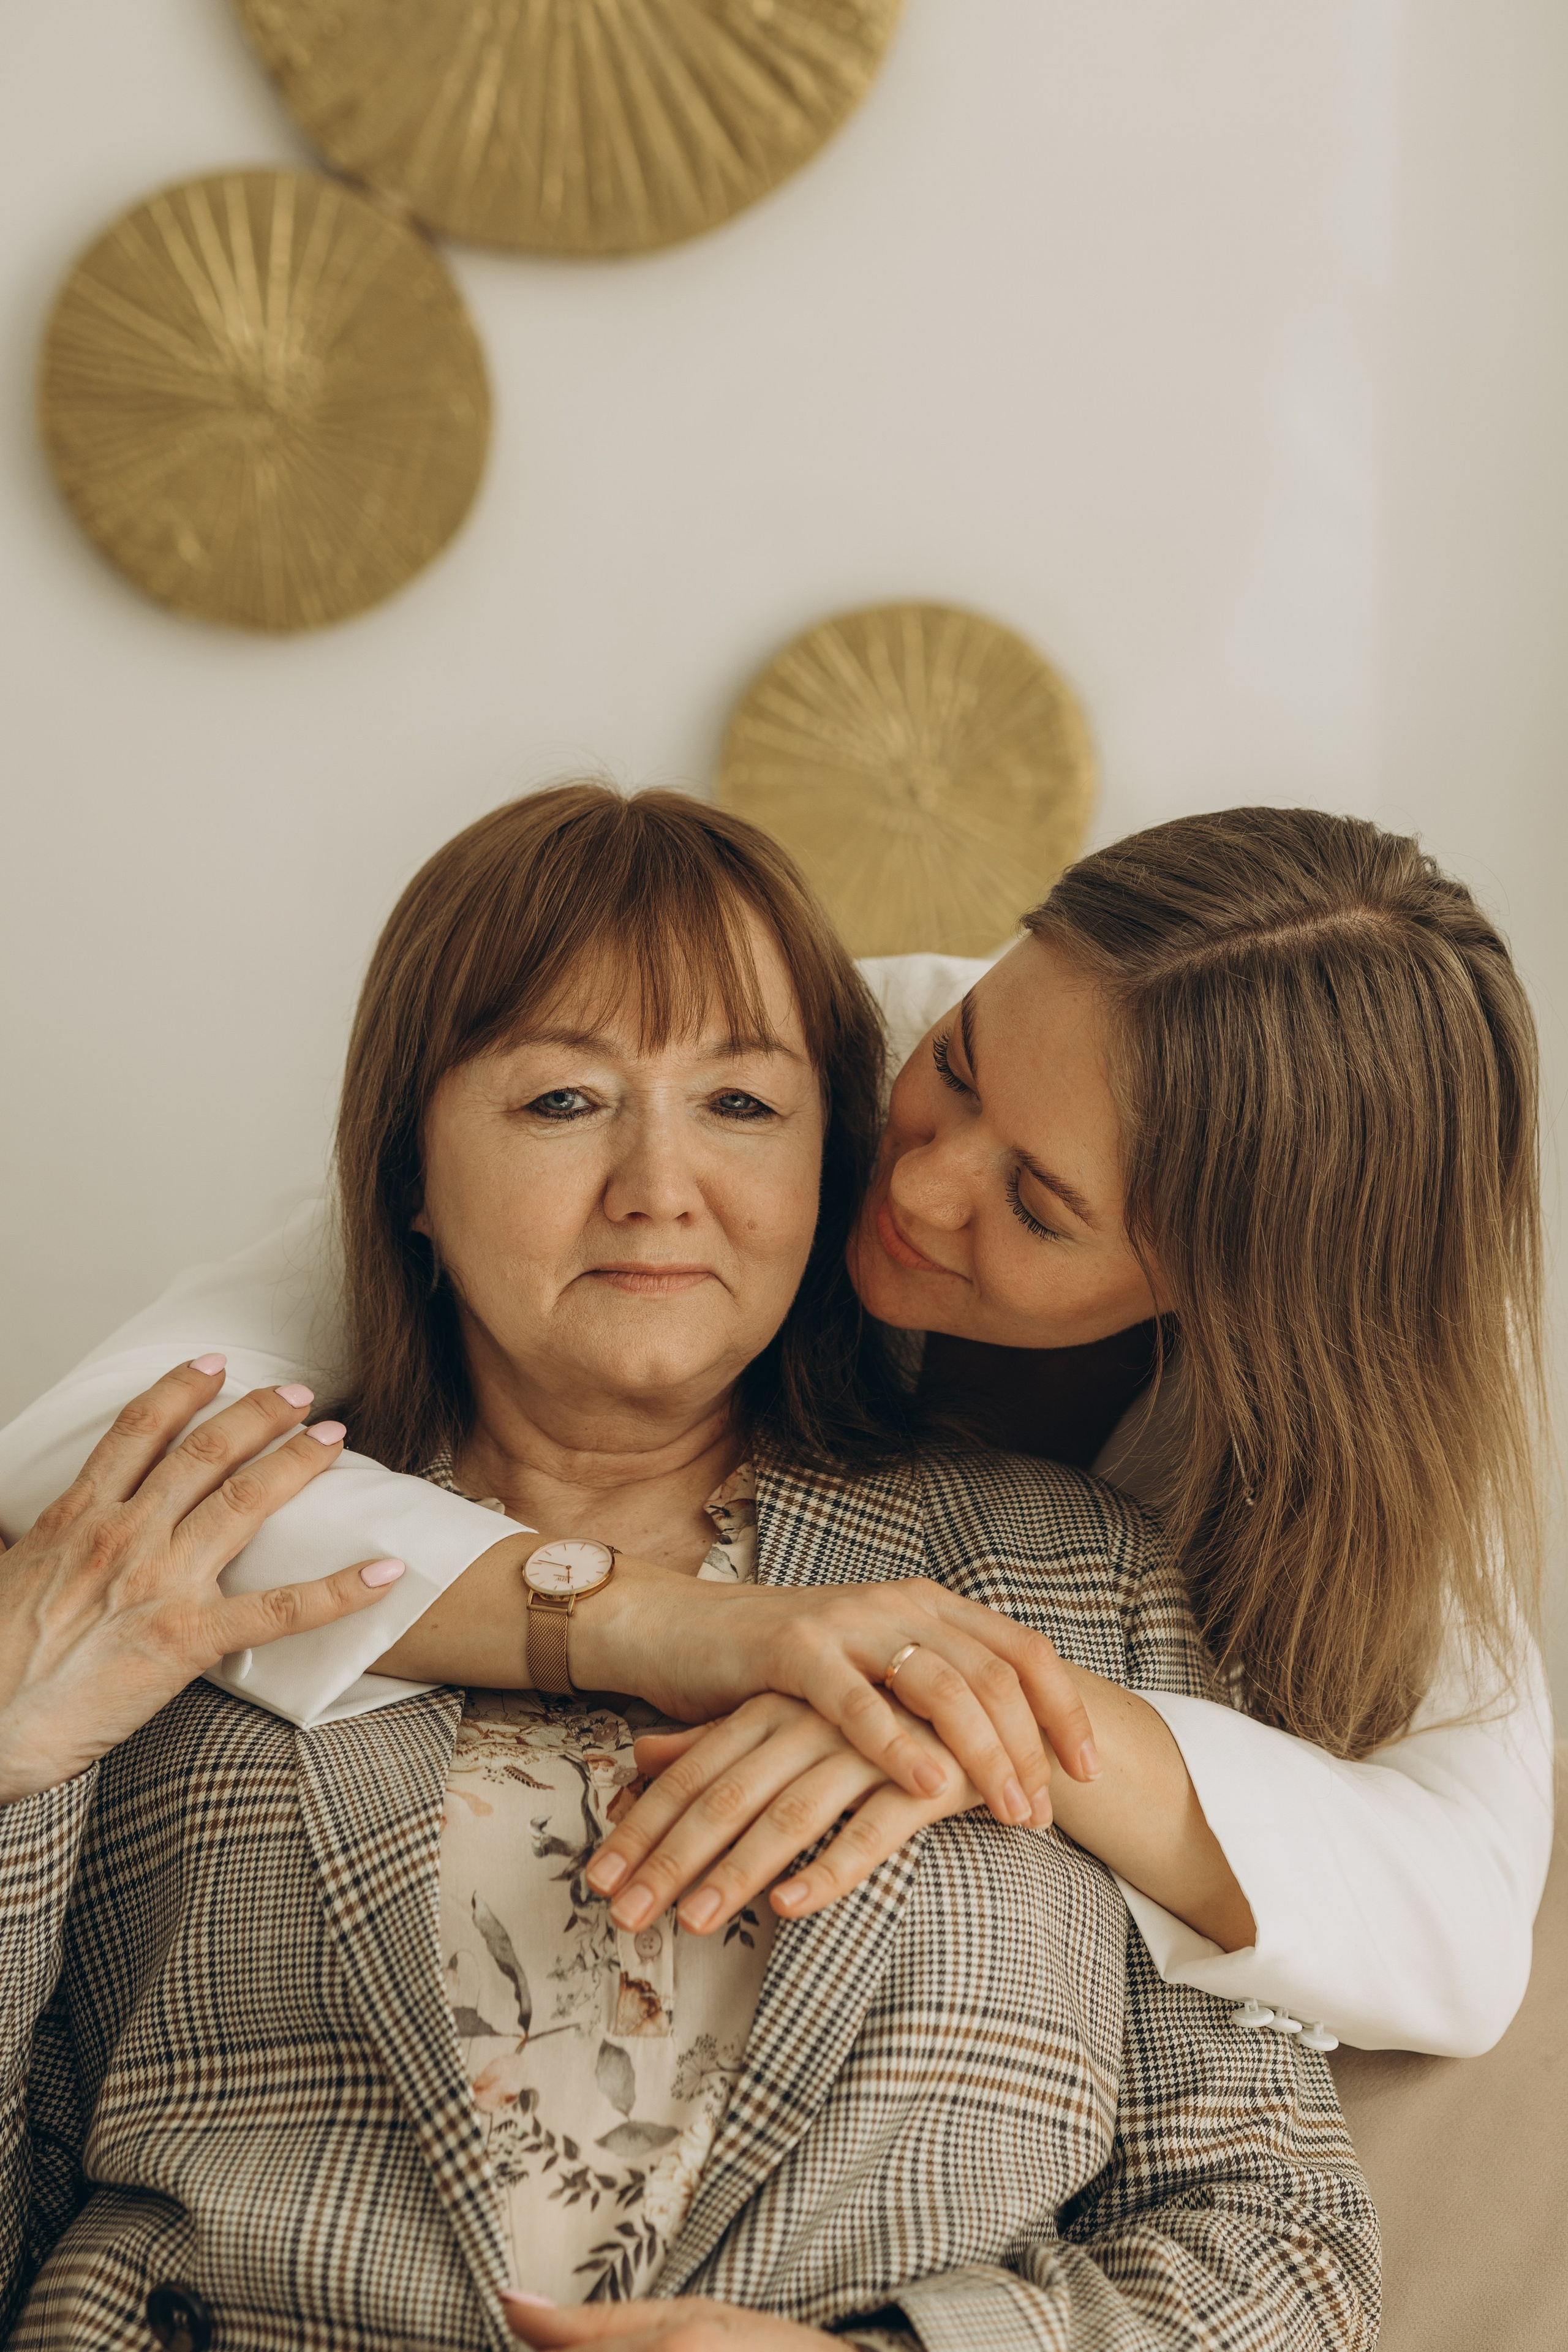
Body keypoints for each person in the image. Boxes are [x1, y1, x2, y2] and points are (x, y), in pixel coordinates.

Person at [0, 792, 1376, 2351]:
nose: (658, 1185)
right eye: (561, 1102)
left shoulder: (1072, 1577)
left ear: (825, 1162)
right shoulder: (172, 1562)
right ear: (405, 1174)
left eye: (737, 1105)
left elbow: (1286, 2250)